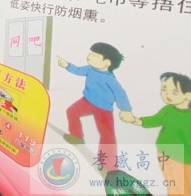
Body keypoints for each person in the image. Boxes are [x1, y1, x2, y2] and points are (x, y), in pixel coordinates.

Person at [58, 42, 135, 172]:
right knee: (71, 112)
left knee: (107, 135)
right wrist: (67, 65)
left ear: (107, 63)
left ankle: (108, 165)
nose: (89, 56)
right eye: (91, 53)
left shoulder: (110, 79)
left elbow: (120, 94)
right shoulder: (90, 69)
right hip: (87, 101)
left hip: (103, 109)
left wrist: (126, 109)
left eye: (95, 55)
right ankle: (77, 136)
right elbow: (78, 70)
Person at [131, 72, 191, 196]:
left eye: (174, 92)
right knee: (174, 186)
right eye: (164, 89)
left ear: (188, 96)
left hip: (187, 158)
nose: (167, 94)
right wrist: (136, 120)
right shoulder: (167, 110)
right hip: (166, 153)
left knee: (187, 189)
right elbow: (154, 120)